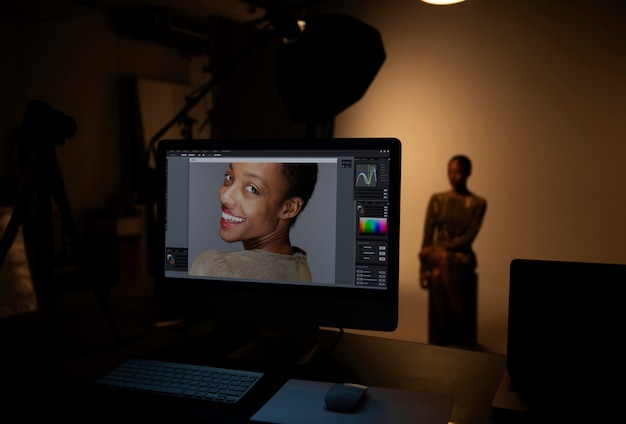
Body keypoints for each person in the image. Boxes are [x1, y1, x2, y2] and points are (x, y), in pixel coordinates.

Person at [190, 161, 318, 283]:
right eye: (229, 177)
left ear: (289, 208)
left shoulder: (217, 268)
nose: (225, 197)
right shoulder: (300, 270)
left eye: (252, 189)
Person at [418, 154, 487, 348]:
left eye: (457, 171)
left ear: (468, 173)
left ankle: (445, 328)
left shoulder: (478, 203)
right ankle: (460, 317)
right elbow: (427, 234)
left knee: (439, 274)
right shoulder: (437, 199)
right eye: (450, 171)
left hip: (461, 255)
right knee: (442, 258)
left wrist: (436, 249)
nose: (453, 176)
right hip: (435, 254)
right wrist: (422, 269)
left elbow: (468, 238)